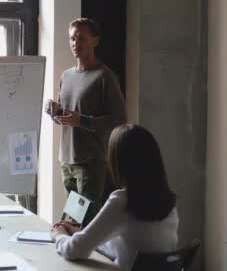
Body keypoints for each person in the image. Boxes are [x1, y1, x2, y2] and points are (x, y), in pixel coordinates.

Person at [50, 124, 179, 271]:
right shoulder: (168, 200)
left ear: (120, 163)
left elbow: (74, 251)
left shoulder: (122, 200)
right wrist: (82, 234)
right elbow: (130, 241)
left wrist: (59, 236)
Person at [45, 17, 126, 225]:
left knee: (86, 222)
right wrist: (55, 112)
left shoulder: (105, 76)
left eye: (81, 38)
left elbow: (118, 120)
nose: (75, 43)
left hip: (90, 162)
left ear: (95, 41)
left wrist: (82, 121)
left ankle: (90, 256)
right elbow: (67, 117)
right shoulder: (66, 75)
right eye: (72, 38)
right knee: (73, 221)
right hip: (67, 160)